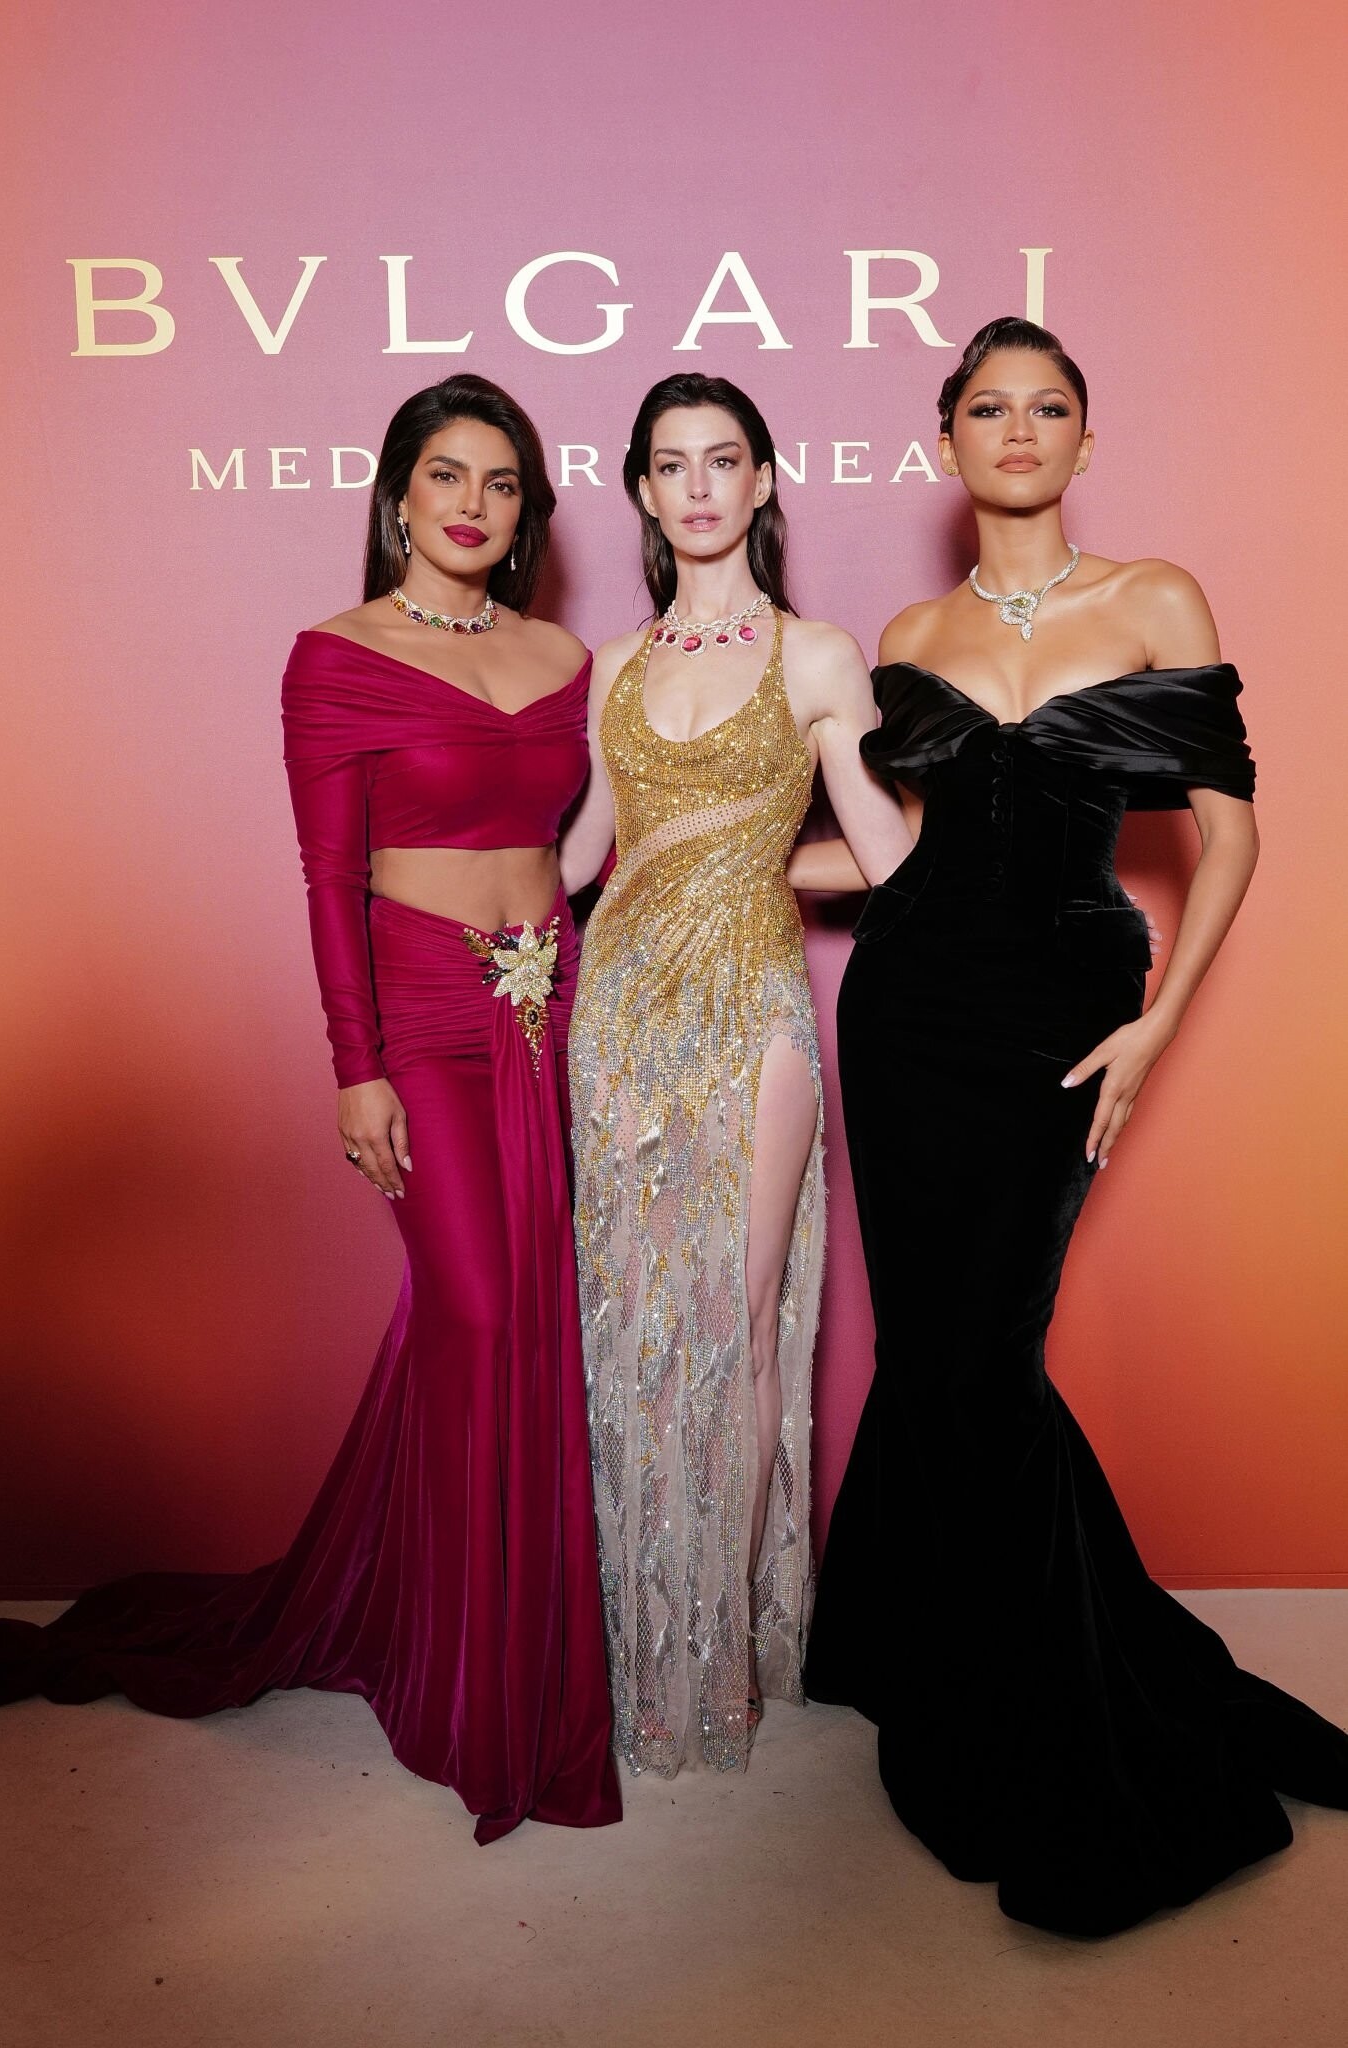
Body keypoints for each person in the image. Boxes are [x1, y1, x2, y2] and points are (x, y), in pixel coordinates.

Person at [0, 374, 621, 1845]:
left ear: (527, 509)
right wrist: (358, 1064)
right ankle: (466, 1680)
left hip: (556, 1008)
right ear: (397, 495)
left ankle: (477, 1628)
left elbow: (581, 845)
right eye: (445, 474)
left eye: (502, 482)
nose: (472, 504)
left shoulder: (563, 656)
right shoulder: (337, 657)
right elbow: (330, 881)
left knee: (537, 1317)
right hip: (426, 1017)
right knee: (478, 1314)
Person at [803, 317, 1348, 1932]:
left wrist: (1156, 1022)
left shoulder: (1153, 596)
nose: (1018, 429)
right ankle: (957, 1666)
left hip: (1064, 1008)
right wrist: (701, 870)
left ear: (1083, 442)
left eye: (1046, 407)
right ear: (948, 442)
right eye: (988, 407)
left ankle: (1057, 1692)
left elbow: (1231, 835)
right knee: (934, 1352)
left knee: (983, 1352)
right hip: (906, 1009)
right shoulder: (907, 631)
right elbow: (898, 852)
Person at [559, 373, 911, 1774]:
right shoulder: (612, 666)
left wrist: (747, 858)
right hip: (617, 1013)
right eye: (672, 464)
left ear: (763, 480)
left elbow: (885, 856)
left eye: (724, 460)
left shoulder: (817, 656)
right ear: (644, 493)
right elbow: (584, 854)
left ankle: (724, 1654)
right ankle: (638, 1641)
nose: (699, 486)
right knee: (626, 1322)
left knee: (740, 1322)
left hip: (751, 1010)